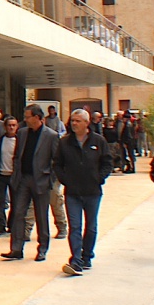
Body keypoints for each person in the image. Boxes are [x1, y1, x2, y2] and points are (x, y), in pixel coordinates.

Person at [52, 109, 112, 276]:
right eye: (72, 121)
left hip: (93, 192)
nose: (74, 124)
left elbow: (108, 162)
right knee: (75, 226)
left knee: (91, 227)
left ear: (87, 123)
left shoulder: (98, 141)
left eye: (78, 121)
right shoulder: (64, 143)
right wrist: (65, 179)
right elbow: (57, 164)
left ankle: (87, 256)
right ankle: (76, 259)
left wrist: (99, 178)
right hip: (73, 192)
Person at [1, 105, 58, 262]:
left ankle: (42, 248)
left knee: (41, 216)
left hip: (41, 180)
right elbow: (17, 155)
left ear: (38, 117)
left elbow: (56, 161)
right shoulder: (22, 133)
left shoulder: (51, 135)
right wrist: (15, 176)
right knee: (18, 213)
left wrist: (50, 179)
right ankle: (16, 248)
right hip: (23, 179)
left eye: (28, 117)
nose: (25, 120)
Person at [0, 116, 18, 235]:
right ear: (5, 127)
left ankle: (12, 224)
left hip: (15, 176)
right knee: (0, 201)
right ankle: (1, 224)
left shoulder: (20, 141)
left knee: (16, 201)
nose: (11, 127)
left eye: (14, 125)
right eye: (9, 125)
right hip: (1, 174)